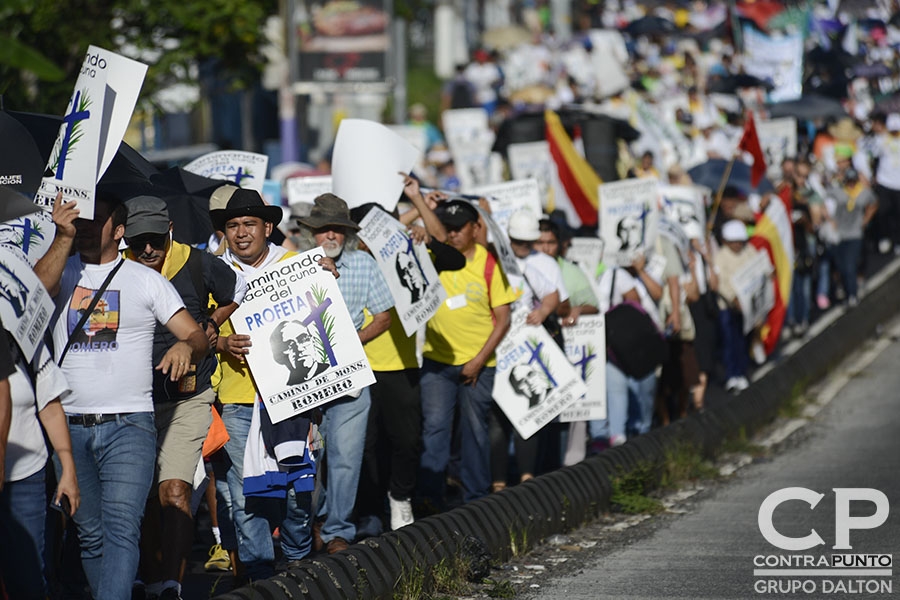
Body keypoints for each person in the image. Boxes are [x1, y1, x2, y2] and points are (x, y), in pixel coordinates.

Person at [33, 193, 209, 600]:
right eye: (84, 220)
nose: (88, 226)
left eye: (98, 220)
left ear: (119, 230)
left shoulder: (146, 280)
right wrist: (62, 236)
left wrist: (187, 347)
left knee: (121, 528)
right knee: (90, 534)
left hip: (129, 425)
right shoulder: (63, 270)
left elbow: (196, 334)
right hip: (69, 427)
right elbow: (40, 289)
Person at [122, 196, 244, 600]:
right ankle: (148, 573)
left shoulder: (196, 263)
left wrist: (211, 323)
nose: (148, 250)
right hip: (134, 400)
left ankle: (172, 585)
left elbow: (235, 289)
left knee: (173, 490)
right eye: (139, 241)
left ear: (170, 231)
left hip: (188, 397)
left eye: (155, 239)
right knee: (141, 496)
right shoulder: (118, 270)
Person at [210, 188, 328, 580]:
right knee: (249, 493)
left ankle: (296, 558)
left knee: (298, 491)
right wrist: (223, 342)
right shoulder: (211, 271)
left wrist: (328, 276)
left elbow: (328, 319)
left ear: (268, 227)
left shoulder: (296, 264)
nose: (241, 232)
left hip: (295, 399)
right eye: (232, 225)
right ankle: (260, 573)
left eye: (249, 224)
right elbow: (196, 331)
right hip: (238, 400)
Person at [295, 193, 394, 553]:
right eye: (323, 230)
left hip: (351, 382)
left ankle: (339, 531)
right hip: (306, 381)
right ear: (312, 233)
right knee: (312, 456)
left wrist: (353, 340)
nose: (331, 236)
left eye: (338, 229)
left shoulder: (364, 265)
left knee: (346, 458)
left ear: (348, 234)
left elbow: (383, 316)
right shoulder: (295, 265)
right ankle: (311, 524)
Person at [419, 200, 515, 505]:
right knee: (435, 430)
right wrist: (418, 200)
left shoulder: (488, 263)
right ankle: (431, 500)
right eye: (447, 228)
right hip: (437, 363)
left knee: (475, 431)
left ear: (475, 229)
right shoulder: (433, 257)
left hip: (479, 364)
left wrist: (478, 361)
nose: (452, 233)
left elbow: (503, 318)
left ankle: (475, 500)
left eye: (458, 228)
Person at [0, 335, 78, 600]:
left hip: (24, 476)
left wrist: (67, 469)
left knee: (28, 582)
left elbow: (51, 406)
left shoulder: (23, 336)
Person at [824, 149, 877, 306]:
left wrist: (866, 220)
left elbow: (874, 203)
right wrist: (830, 220)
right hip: (839, 234)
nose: (852, 184)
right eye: (849, 182)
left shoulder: (864, 193)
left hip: (855, 234)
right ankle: (846, 290)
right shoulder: (839, 192)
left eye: (854, 182)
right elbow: (823, 200)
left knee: (849, 265)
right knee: (840, 266)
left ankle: (852, 294)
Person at [714, 220, 760, 393]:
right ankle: (731, 375)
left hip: (748, 308)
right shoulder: (721, 256)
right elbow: (721, 284)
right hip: (728, 308)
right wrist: (734, 299)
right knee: (729, 341)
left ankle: (742, 372)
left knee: (744, 340)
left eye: (740, 241)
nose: (737, 245)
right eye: (733, 241)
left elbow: (759, 270)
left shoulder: (750, 252)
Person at [269, 321, 329, 385]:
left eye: (303, 339)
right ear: (279, 355)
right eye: (289, 345)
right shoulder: (286, 386)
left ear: (314, 342)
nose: (299, 348)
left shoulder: (328, 370)